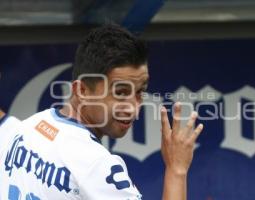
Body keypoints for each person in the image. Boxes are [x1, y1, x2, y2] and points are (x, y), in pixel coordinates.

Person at [0, 24, 203, 200]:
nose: (133, 107)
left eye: (140, 92)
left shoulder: (30, 127)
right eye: (120, 92)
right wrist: (177, 169)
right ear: (82, 90)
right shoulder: (97, 165)